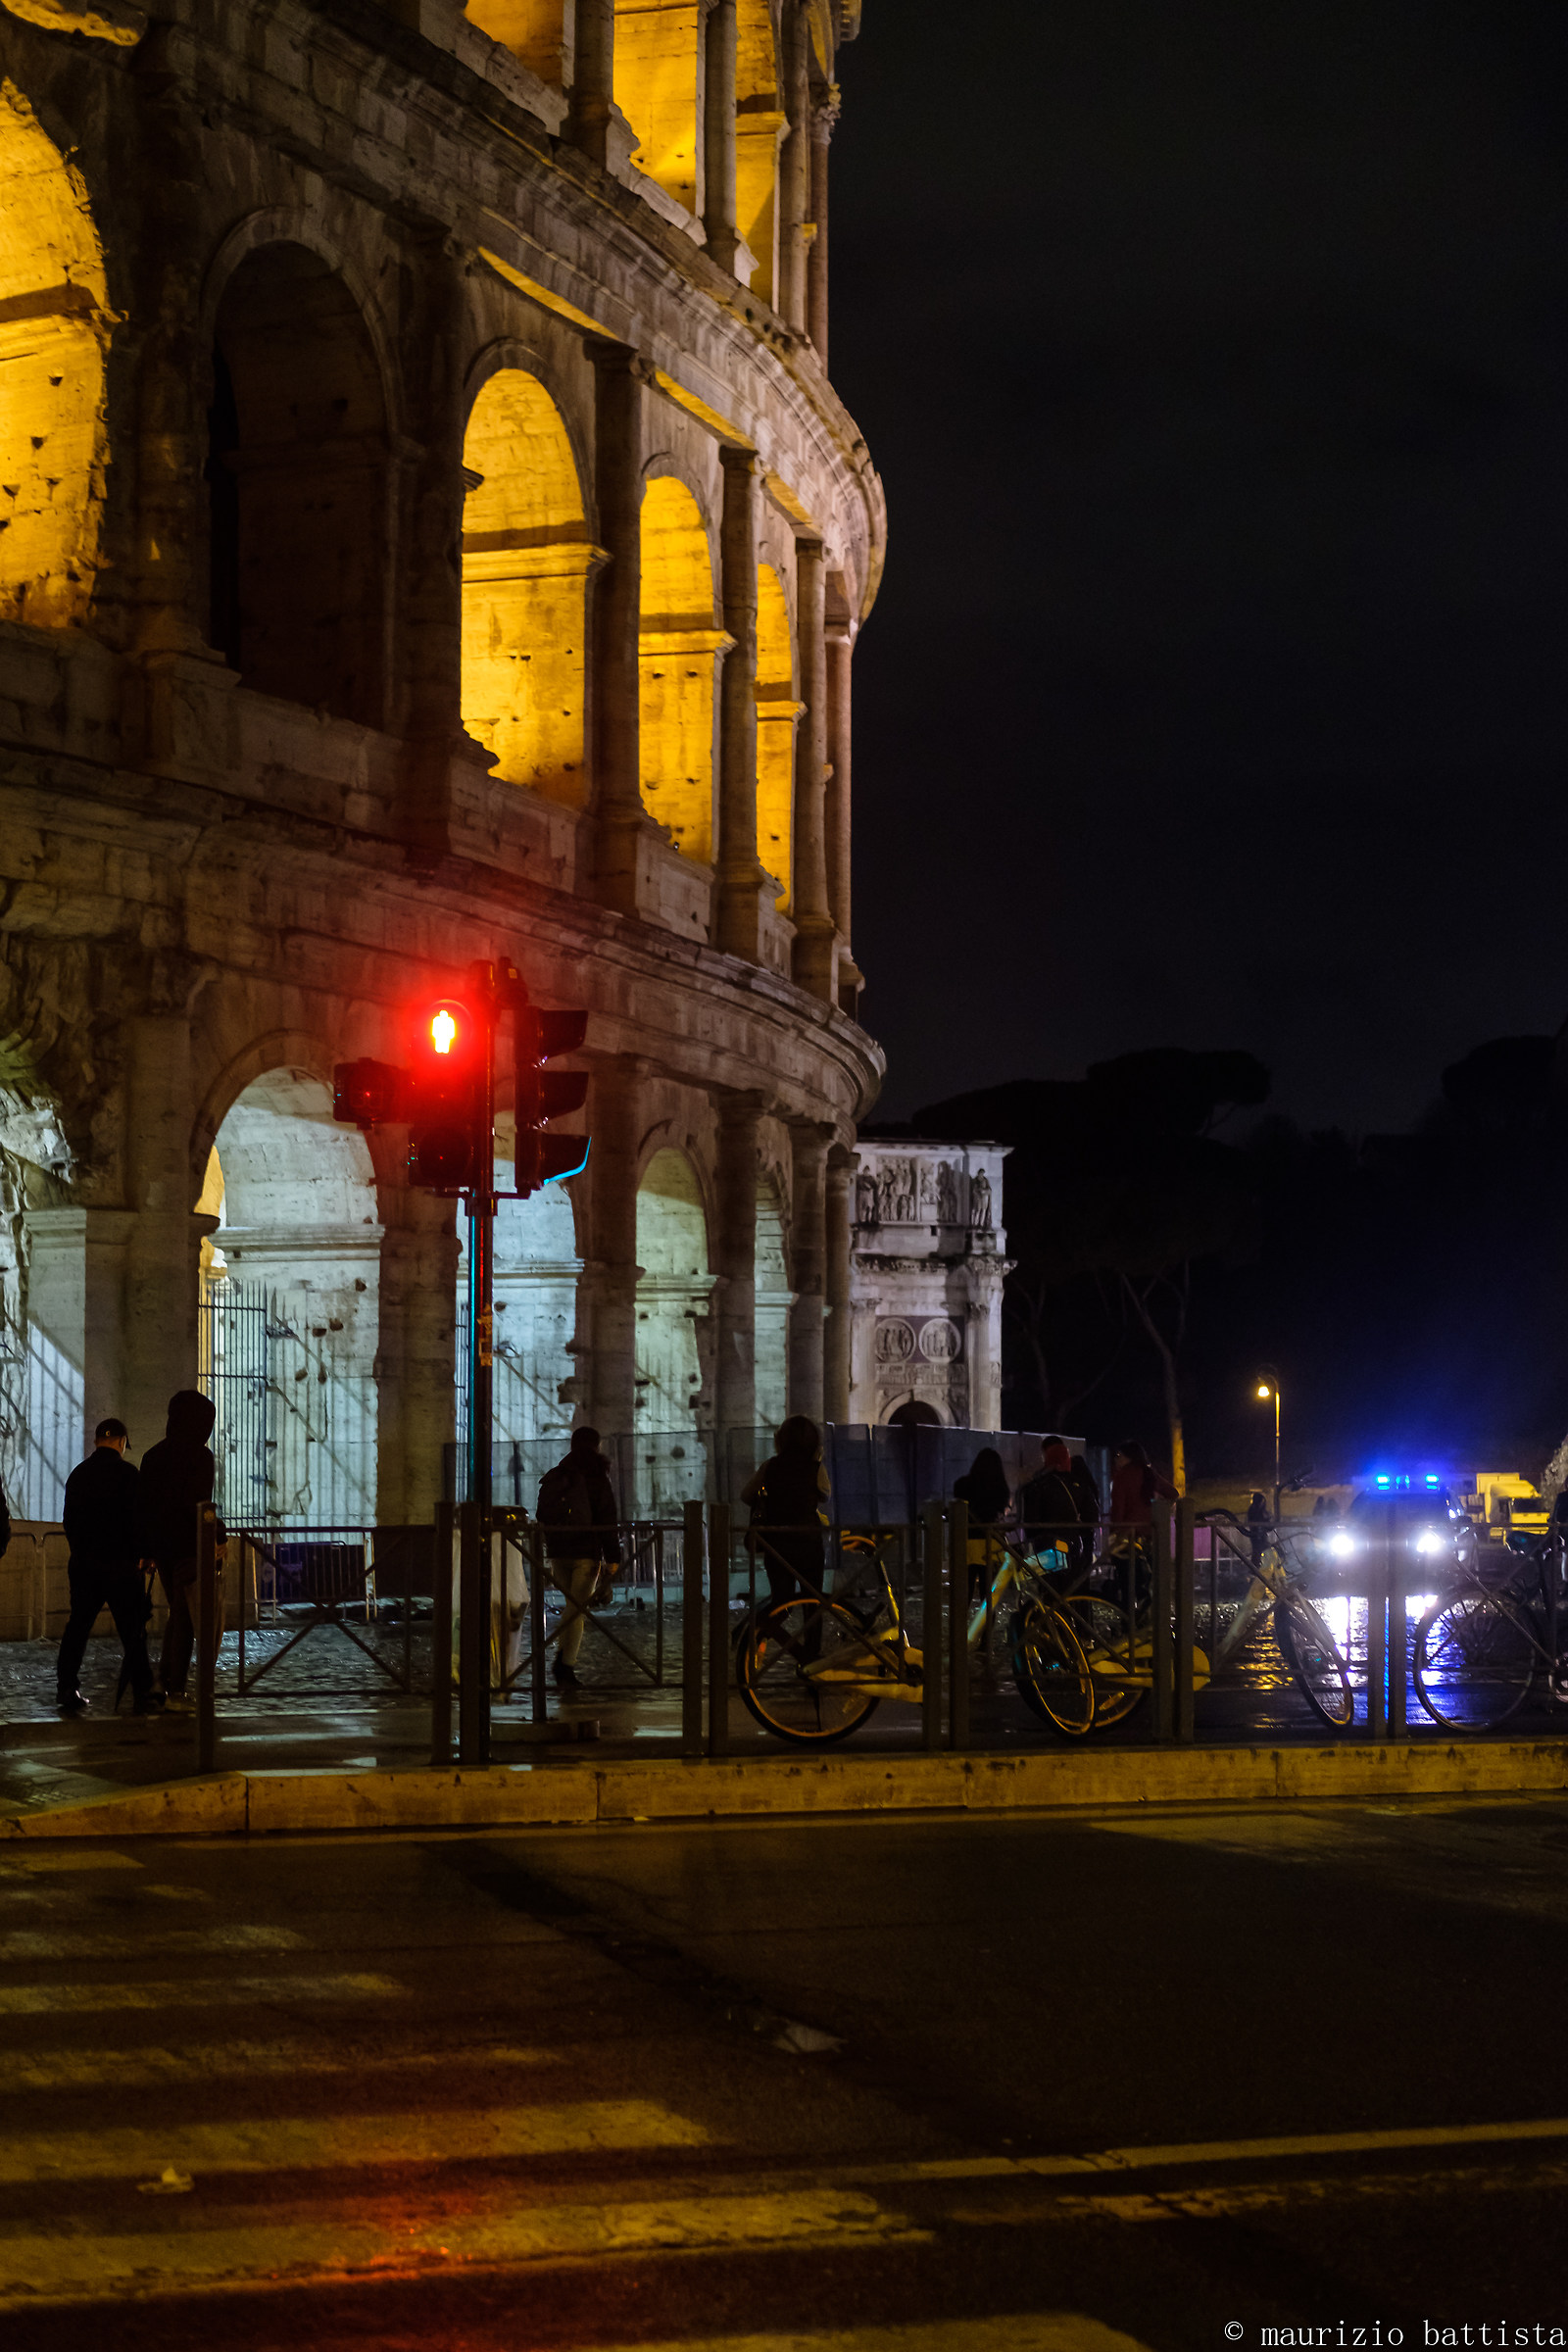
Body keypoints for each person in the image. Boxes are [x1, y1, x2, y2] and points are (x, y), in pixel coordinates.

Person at [57, 1418, 160, 1717]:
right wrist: (145, 1554)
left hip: (85, 1565)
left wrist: (82, 1552)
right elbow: (140, 1521)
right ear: (121, 1442)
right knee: (132, 1629)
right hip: (122, 1567)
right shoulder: (129, 1474)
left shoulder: (78, 1475)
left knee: (78, 1627)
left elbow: (69, 1523)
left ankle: (67, 1686)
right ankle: (142, 1688)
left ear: (96, 1442)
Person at [139, 1390, 223, 1713]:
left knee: (180, 1612)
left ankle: (166, 1680)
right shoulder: (201, 1457)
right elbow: (200, 1505)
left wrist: (146, 1550)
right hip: (191, 1547)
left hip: (163, 1548)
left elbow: (143, 1507)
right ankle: (174, 1687)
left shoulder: (152, 1456)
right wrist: (218, 1533)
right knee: (186, 1616)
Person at [536, 1428, 618, 1689]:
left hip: (558, 1551)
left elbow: (543, 1514)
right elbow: (607, 1517)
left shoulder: (558, 1473)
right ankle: (565, 1666)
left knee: (572, 1608)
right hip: (585, 1551)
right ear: (597, 1445)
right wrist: (613, 1557)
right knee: (576, 1611)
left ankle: (562, 1661)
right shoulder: (597, 1476)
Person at [741, 1416, 829, 1612]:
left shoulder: (770, 1466)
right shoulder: (816, 1468)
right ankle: (812, 1643)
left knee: (781, 1603)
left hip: (777, 1544)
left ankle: (764, 1635)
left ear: (781, 1439)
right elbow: (825, 1495)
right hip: (809, 1543)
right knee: (812, 1604)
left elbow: (746, 1496)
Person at [1018, 1439, 1090, 1574]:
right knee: (1069, 1586)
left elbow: (1031, 1518)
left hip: (1047, 1545)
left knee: (1048, 1586)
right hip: (1072, 1544)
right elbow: (1091, 1515)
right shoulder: (1079, 1484)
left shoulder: (1039, 1484)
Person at [954, 1445, 1011, 1593]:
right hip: (990, 1542)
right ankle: (988, 1617)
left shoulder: (962, 1484)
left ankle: (960, 1616)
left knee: (965, 1588)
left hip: (967, 1540)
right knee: (989, 1591)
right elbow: (1001, 1511)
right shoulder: (1001, 1489)